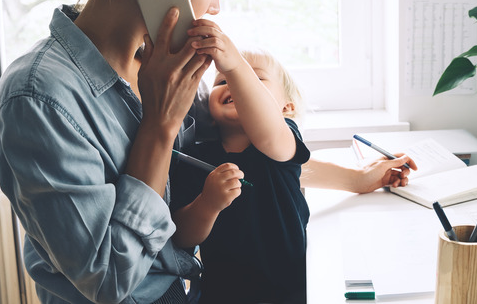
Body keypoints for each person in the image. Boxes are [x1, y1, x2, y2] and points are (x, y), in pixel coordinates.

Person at [0, 0, 242, 302]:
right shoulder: (37, 100)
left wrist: (353, 179)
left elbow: (245, 147)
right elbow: (107, 279)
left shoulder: (160, 63)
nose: (216, 7)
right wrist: (159, 125)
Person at [170, 40, 418, 304]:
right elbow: (182, 236)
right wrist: (207, 204)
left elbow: (270, 136)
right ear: (208, 112)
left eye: (254, 78)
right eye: (222, 81)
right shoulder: (197, 157)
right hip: (222, 294)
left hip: (292, 292)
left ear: (286, 109)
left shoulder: (281, 138)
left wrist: (233, 64)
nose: (233, 81)